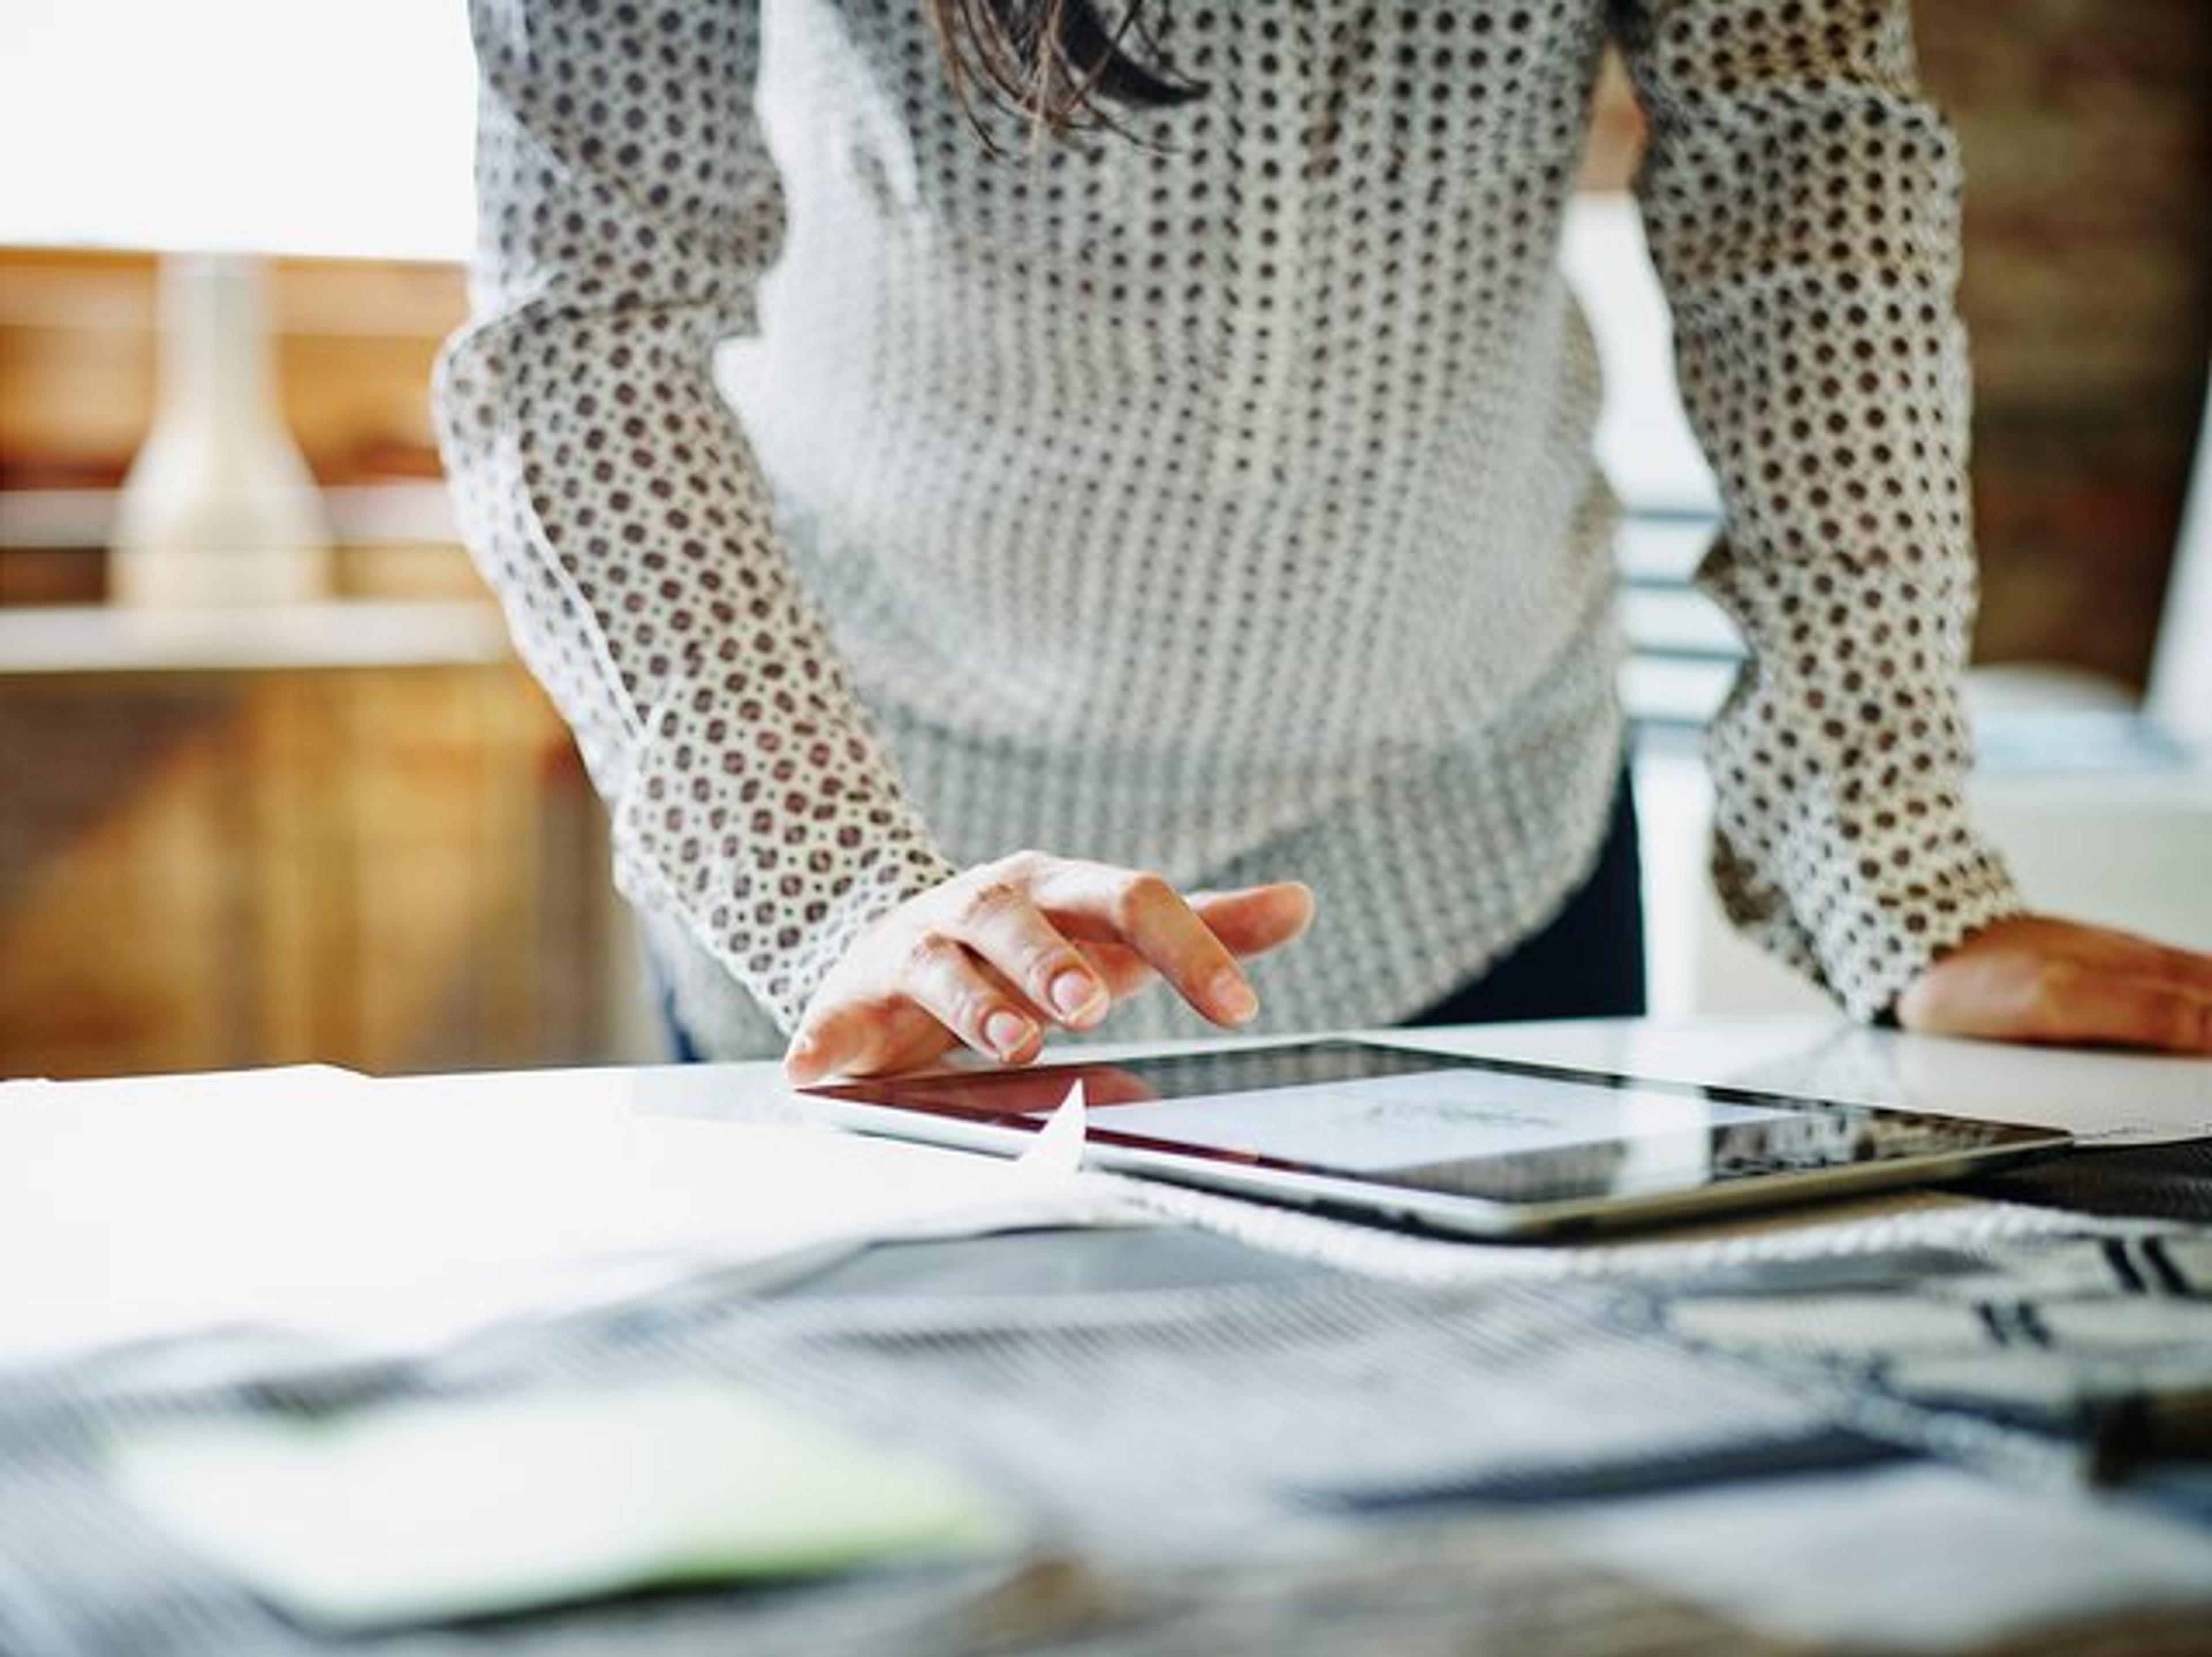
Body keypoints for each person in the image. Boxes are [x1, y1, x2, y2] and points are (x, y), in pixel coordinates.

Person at [437, 0, 2212, 1081]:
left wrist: (1889, 856)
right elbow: (583, 318)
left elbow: (1805, 181)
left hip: (1472, 839)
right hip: (892, 867)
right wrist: (830, 886)